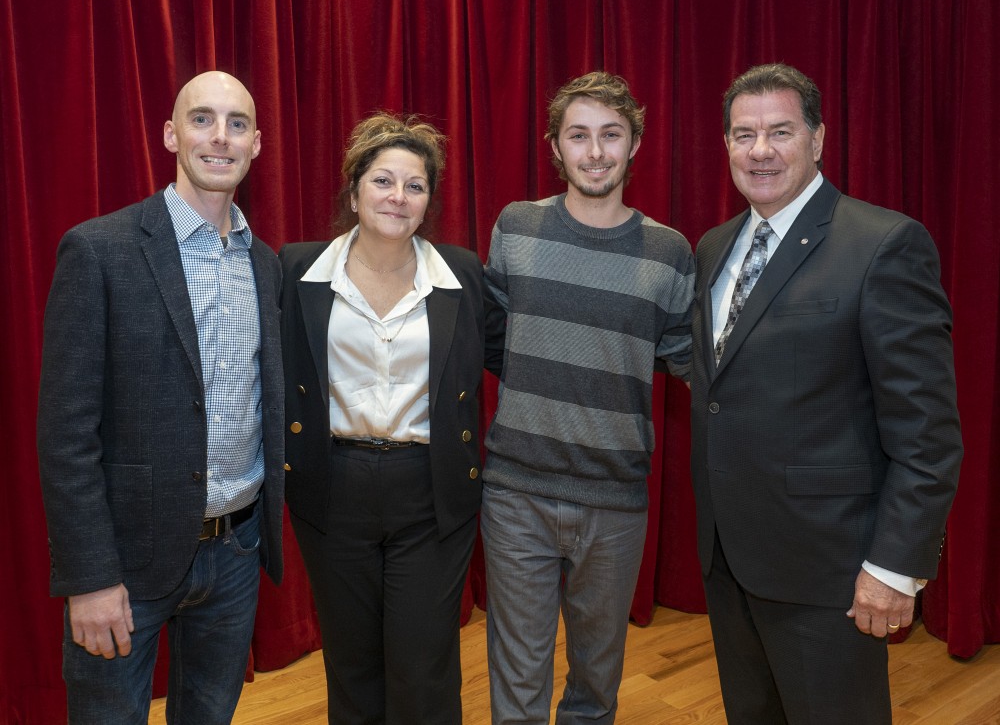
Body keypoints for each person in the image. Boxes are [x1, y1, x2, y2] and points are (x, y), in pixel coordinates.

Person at [689, 63, 962, 724]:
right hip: (731, 560)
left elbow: (927, 432)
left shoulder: (883, 245)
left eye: (780, 131)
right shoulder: (713, 248)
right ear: (725, 144)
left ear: (818, 139)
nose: (760, 151)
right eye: (743, 134)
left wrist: (896, 566)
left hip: (830, 574)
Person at [36, 71, 284, 723]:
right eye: (202, 119)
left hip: (234, 553)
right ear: (172, 133)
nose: (220, 138)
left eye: (237, 124)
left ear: (257, 143)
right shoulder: (99, 251)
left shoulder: (266, 264)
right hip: (125, 566)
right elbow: (66, 433)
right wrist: (89, 577)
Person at [481, 71, 695, 724]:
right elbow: (495, 340)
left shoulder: (670, 252)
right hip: (516, 493)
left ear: (634, 144)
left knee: (596, 689)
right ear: (555, 146)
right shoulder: (515, 227)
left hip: (617, 501)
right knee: (517, 688)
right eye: (579, 135)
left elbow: (687, 366)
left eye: (611, 135)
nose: (595, 151)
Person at [279, 112, 505, 724]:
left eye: (414, 185)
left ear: (428, 199)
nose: (397, 197)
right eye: (383, 181)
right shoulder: (296, 271)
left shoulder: (460, 274)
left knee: (424, 664)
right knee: (350, 664)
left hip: (430, 493)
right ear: (353, 193)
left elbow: (511, 358)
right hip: (332, 488)